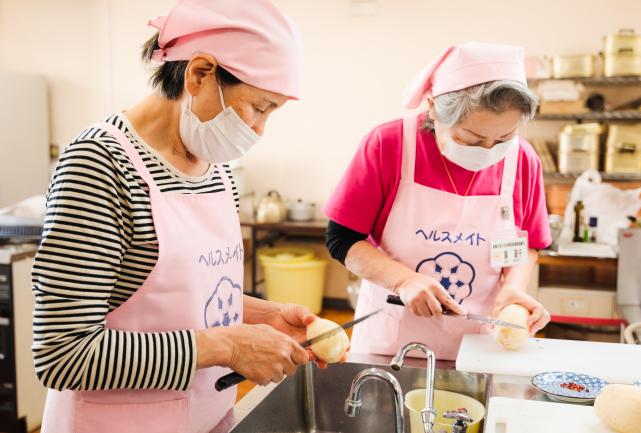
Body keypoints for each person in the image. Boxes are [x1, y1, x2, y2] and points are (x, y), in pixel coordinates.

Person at [33, 1, 328, 432]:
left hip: (206, 416)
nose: (260, 130)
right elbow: (63, 354)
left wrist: (265, 318)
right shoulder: (100, 164)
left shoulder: (215, 167)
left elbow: (181, 294)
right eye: (259, 107)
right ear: (199, 74)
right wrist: (227, 345)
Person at [324, 42, 552, 360]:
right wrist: (403, 280)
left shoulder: (523, 160)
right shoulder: (388, 145)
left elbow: (526, 243)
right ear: (433, 108)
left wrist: (513, 287)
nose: (488, 150)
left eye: (503, 138)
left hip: (477, 343)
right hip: (391, 341)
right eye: (469, 139)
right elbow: (342, 239)